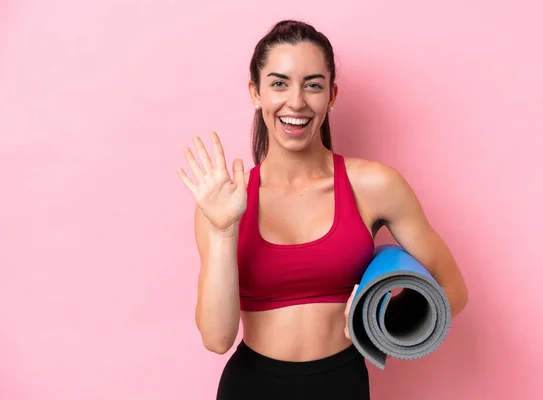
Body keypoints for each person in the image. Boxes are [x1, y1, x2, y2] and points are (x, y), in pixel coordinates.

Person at [177, 19, 469, 400]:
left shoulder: (375, 185)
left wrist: (377, 321)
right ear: (256, 92)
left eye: (312, 85)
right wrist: (222, 230)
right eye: (279, 83)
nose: (295, 102)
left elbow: (453, 290)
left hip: (342, 383)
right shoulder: (224, 201)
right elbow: (217, 339)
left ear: (331, 95)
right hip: (251, 386)